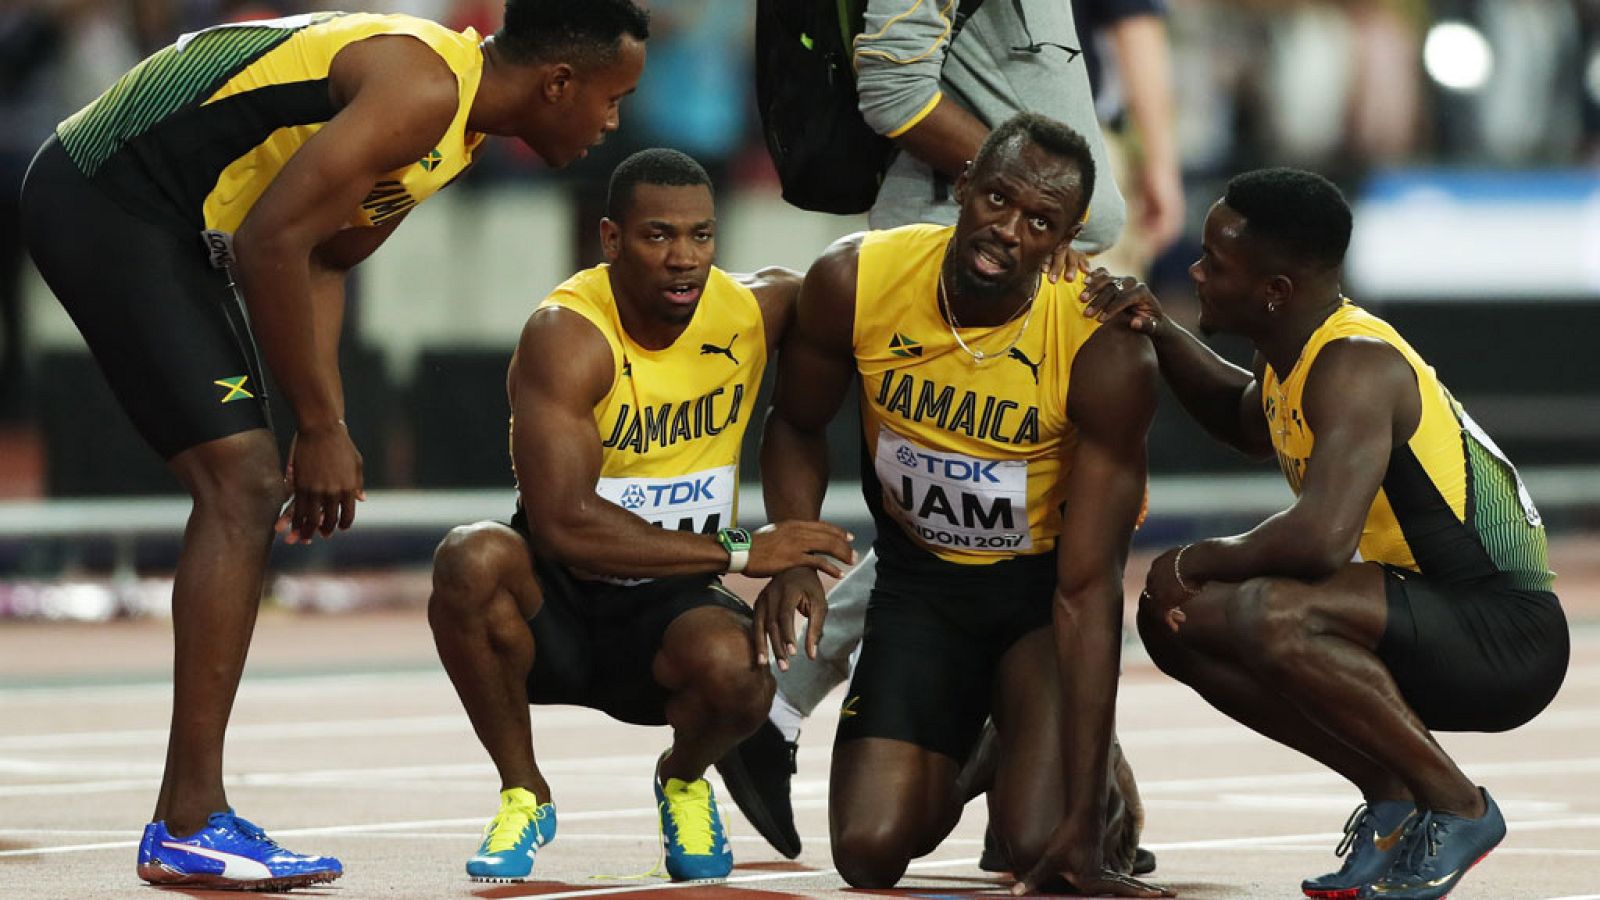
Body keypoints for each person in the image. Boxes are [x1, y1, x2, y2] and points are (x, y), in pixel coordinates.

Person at [18, 1, 650, 890]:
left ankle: (191, 819)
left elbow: (321, 256)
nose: (612, 124)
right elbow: (267, 241)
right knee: (238, 487)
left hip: (161, 214)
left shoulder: (453, 130)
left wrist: (333, 426)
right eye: (611, 99)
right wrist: (313, 428)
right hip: (107, 191)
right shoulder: (424, 89)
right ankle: (190, 820)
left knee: (242, 485)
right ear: (558, 83)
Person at [717, 0, 1154, 867]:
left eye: (1040, 224)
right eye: (996, 200)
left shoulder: (1098, 342)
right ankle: (986, 742)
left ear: (1069, 244)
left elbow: (1094, 585)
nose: (1007, 231)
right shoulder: (860, 279)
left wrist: (1085, 780)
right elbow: (796, 420)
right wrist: (796, 551)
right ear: (964, 186)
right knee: (869, 855)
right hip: (921, 589)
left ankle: (1038, 747)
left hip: (1035, 598)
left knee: (1039, 846)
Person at [1081, 167, 1569, 900]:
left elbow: (1319, 542)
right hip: (1421, 611)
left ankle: (1459, 805)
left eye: (1216, 261)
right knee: (1175, 623)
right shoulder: (1296, 358)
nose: (1197, 269)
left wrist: (1197, 556)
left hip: (1504, 633)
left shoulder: (1354, 363)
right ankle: (1392, 799)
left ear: (1274, 289)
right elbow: (1242, 418)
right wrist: (1159, 327)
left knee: (1267, 612)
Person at [426, 148, 855, 885]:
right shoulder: (567, 334)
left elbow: (807, 410)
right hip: (555, 599)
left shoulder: (764, 307)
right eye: (659, 236)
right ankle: (524, 792)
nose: (683, 258)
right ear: (612, 239)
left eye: (701, 235)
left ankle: (685, 779)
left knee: (741, 672)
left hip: (669, 607)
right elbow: (564, 523)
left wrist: (799, 553)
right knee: (470, 556)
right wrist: (749, 551)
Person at [1071, 0, 1184, 277]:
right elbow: (1135, 28)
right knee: (1099, 303)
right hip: (1079, 146)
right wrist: (1161, 166)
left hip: (977, 130)